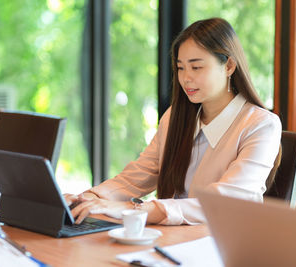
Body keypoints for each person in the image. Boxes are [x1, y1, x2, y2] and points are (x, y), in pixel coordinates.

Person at [65, 17, 282, 225]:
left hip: (225, 247)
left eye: (196, 67)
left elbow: (225, 203)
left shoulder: (261, 125)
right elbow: (136, 177)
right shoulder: (174, 117)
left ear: (229, 66)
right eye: (180, 67)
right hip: (171, 241)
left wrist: (133, 210)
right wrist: (87, 198)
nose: (186, 77)